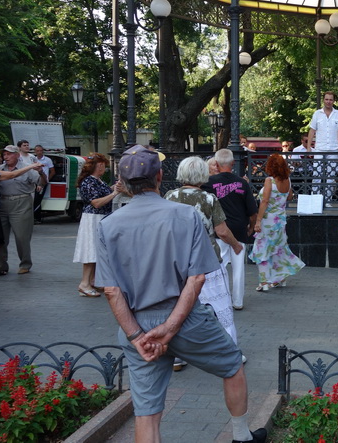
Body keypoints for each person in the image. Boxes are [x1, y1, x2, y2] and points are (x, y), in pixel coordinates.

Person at [95, 145, 266, 443]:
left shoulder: (108, 225)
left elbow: (111, 290)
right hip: (186, 318)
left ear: (122, 180)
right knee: (232, 365)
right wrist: (170, 327)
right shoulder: (186, 216)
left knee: (146, 412)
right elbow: (197, 278)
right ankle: (242, 437)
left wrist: (137, 336)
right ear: (160, 176)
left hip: (136, 324)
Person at [165, 156, 245, 370]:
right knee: (221, 307)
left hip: (178, 262)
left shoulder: (170, 196)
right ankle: (230, 351)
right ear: (202, 175)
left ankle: (177, 355)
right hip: (207, 259)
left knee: (179, 307)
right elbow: (221, 231)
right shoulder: (209, 199)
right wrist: (236, 245)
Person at [203, 149, 258, 310]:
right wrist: (252, 226)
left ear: (217, 164)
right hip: (240, 228)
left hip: (219, 229)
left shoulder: (209, 183)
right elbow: (252, 210)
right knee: (239, 267)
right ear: (233, 164)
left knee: (219, 265)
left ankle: (220, 298)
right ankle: (238, 301)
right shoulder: (242, 183)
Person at [250, 154, 304, 290]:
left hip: (268, 220)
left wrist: (258, 221)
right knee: (278, 249)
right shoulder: (288, 180)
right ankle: (280, 278)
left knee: (262, 249)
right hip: (280, 220)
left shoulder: (269, 180)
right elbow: (290, 196)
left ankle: (264, 282)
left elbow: (265, 201)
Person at [72, 154, 121, 298]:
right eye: (103, 166)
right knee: (90, 250)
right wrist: (115, 193)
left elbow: (103, 194)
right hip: (93, 218)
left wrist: (113, 188)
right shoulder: (89, 181)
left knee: (95, 250)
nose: (104, 169)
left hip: (98, 218)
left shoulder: (96, 181)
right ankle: (84, 283)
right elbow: (96, 202)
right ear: (97, 166)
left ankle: (92, 280)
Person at [0, 145, 41, 275]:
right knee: (1, 237)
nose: (6, 157)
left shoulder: (27, 167)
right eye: (4, 155)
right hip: (2, 202)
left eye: (9, 154)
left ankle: (25, 263)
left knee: (21, 236)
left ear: (17, 155)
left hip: (22, 202)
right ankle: (0, 265)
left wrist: (41, 173)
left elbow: (41, 181)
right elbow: (10, 176)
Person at [32, 145, 55, 224]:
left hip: (42, 182)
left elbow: (52, 171)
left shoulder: (47, 160)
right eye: (37, 151)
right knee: (32, 199)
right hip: (34, 181)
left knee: (38, 200)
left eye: (41, 150)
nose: (39, 152)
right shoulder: (33, 159)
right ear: (35, 151)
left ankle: (37, 218)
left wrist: (47, 179)